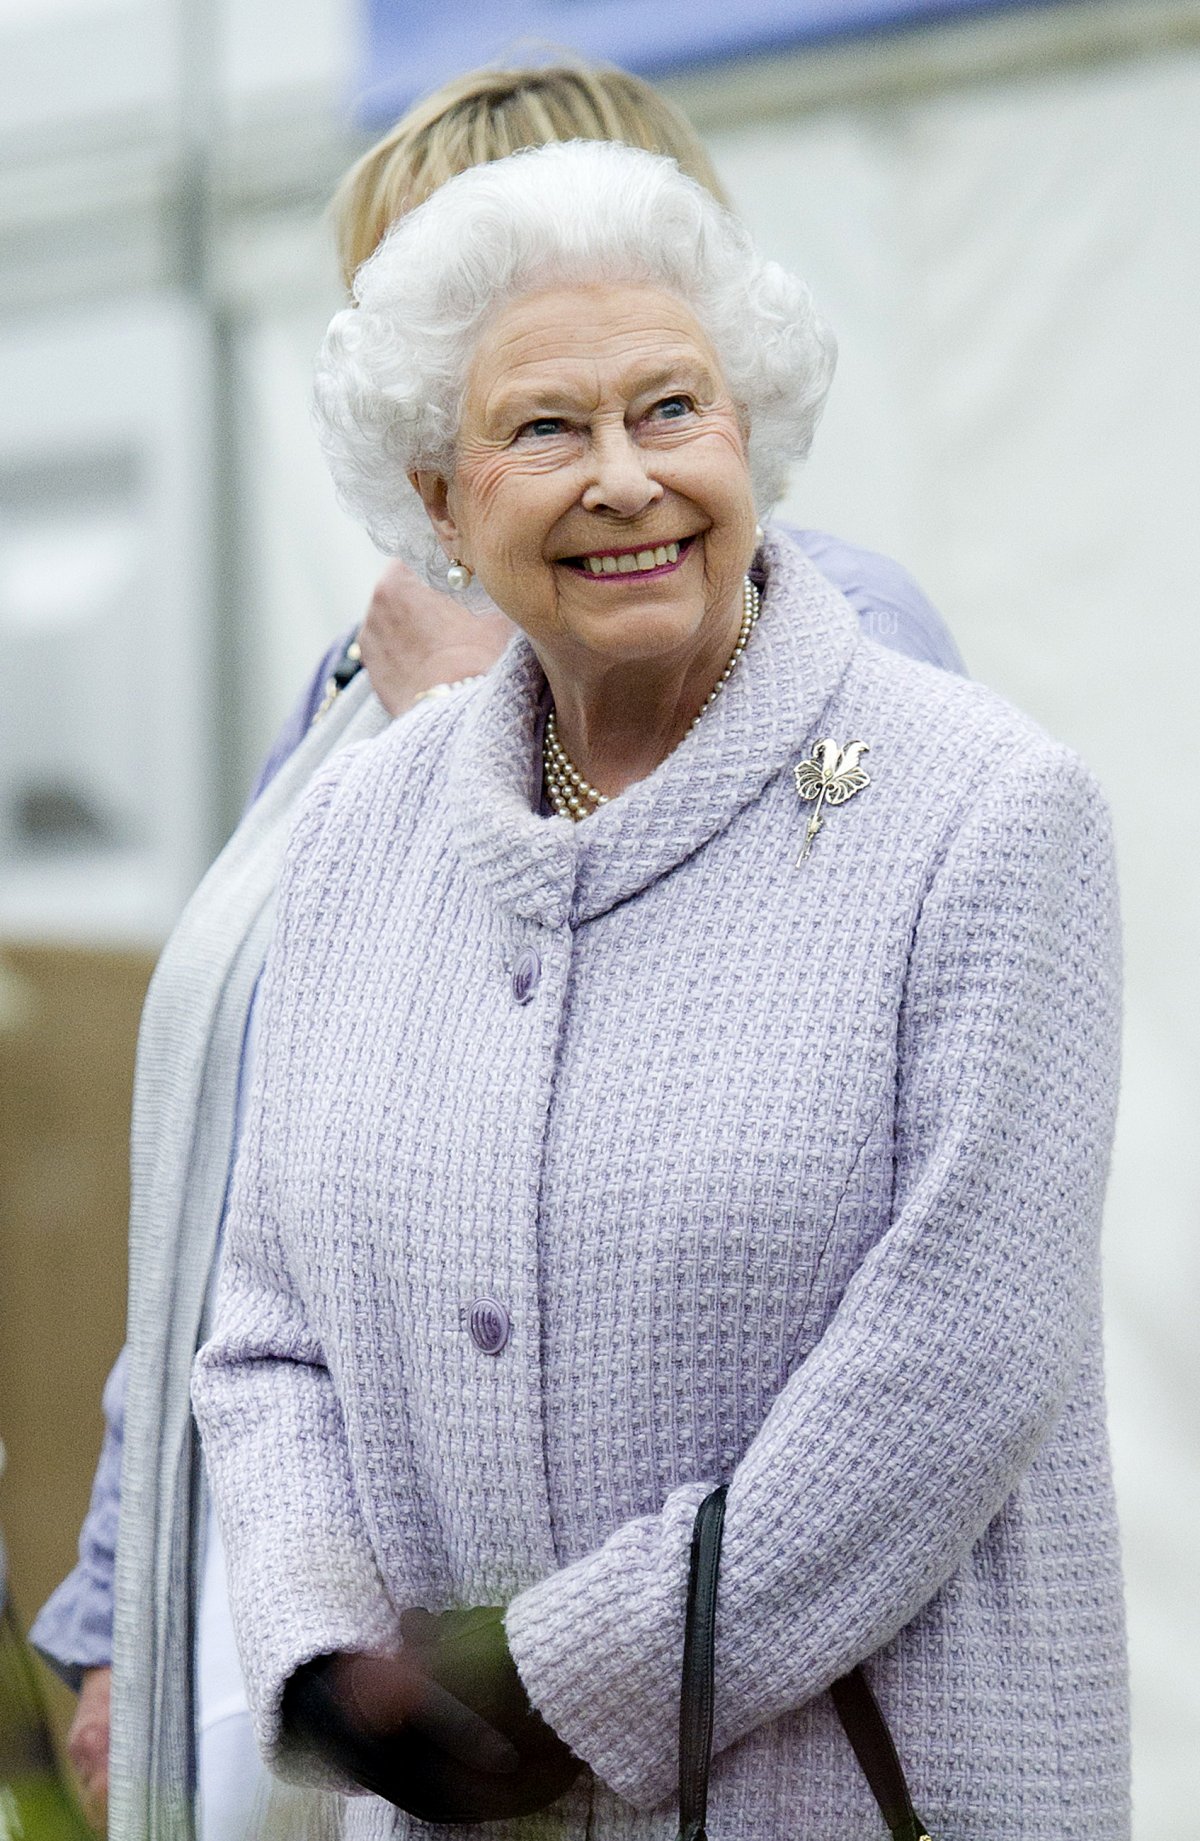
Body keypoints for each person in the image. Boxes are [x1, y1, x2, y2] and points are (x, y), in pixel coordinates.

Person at [30, 64, 964, 1841]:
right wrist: (121, 1598)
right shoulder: (339, 686)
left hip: (669, 1644)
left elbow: (810, 1128)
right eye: (402, 327)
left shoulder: (847, 649)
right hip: (330, 1614)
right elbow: (234, 1188)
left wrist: (488, 727)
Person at [191, 139, 1127, 1841]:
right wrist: (328, 1655)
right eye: (547, 428)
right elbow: (265, 1336)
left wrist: (553, 1676)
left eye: (672, 409)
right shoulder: (354, 841)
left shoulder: (983, 810)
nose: (625, 479)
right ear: (439, 501)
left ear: (749, 431)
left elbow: (958, 1364)